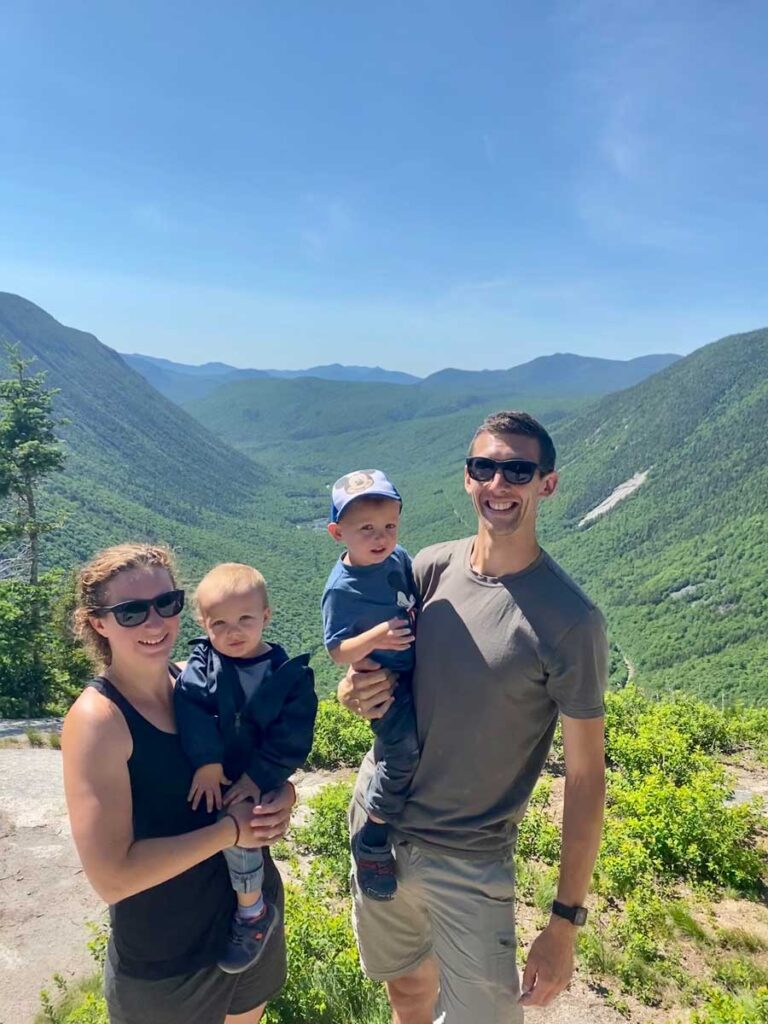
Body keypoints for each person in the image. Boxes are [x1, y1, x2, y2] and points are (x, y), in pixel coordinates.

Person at [338, 411, 608, 1024]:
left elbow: (587, 777)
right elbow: (368, 664)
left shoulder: (571, 622)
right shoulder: (428, 568)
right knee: (406, 990)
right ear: (466, 478)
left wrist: (564, 921)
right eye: (484, 467)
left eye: (518, 469)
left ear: (547, 483)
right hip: (378, 826)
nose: (499, 483)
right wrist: (352, 689)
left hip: (468, 857)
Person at [62, 543, 296, 1024]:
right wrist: (230, 834)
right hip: (167, 962)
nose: (155, 623)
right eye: (131, 611)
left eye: (166, 603)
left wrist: (280, 796)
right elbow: (112, 877)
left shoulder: (200, 681)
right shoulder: (98, 721)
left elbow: (258, 762)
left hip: (249, 925)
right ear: (98, 622)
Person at [174, 562, 317, 973]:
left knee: (245, 833)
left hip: (258, 775)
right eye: (218, 623)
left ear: (267, 618)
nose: (232, 632)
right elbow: (191, 706)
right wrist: (207, 762)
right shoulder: (204, 664)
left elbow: (291, 736)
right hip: (216, 775)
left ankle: (252, 911)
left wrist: (259, 777)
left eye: (245, 620)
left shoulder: (288, 676)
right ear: (203, 623)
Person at [322, 470, 419, 900]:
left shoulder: (398, 559)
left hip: (415, 670)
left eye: (389, 527)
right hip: (385, 685)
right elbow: (337, 651)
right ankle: (374, 835)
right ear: (337, 533)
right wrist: (376, 639)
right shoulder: (342, 589)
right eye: (366, 530)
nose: (381, 538)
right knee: (402, 753)